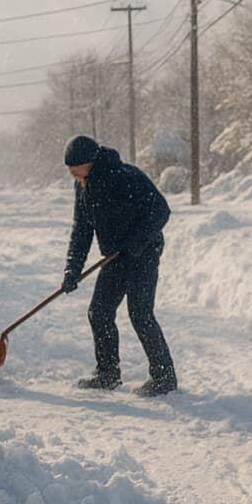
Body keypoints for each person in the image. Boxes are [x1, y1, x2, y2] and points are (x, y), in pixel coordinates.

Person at [61, 135, 177, 397]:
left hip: (143, 252)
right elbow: (81, 230)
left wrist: (135, 242)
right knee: (99, 312)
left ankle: (164, 376)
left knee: (140, 313)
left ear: (88, 162)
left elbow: (161, 210)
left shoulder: (125, 176)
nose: (70, 173)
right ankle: (108, 373)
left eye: (74, 167)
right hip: (115, 256)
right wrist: (72, 269)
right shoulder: (82, 186)